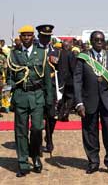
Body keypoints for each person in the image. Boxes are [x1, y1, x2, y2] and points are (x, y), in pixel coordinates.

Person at [7, 25, 52, 177]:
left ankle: (35, 156)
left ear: (33, 37)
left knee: (37, 129)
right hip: (21, 95)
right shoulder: (14, 54)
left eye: (29, 35)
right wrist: (12, 87)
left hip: (37, 96)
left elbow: (47, 79)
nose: (26, 38)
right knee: (21, 132)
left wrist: (50, 100)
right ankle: (23, 163)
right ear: (20, 37)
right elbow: (10, 76)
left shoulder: (41, 53)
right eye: (23, 35)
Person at [74, 31, 108, 175]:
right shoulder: (83, 57)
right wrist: (79, 103)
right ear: (91, 41)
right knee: (90, 132)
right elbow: (77, 81)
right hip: (89, 100)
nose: (99, 42)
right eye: (96, 40)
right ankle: (93, 161)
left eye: (101, 40)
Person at [36, 24, 62, 154]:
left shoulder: (56, 51)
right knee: (38, 117)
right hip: (37, 88)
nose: (46, 39)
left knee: (52, 116)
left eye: (48, 37)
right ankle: (38, 143)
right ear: (39, 36)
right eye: (44, 36)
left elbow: (61, 70)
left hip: (51, 89)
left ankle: (49, 136)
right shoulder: (34, 50)